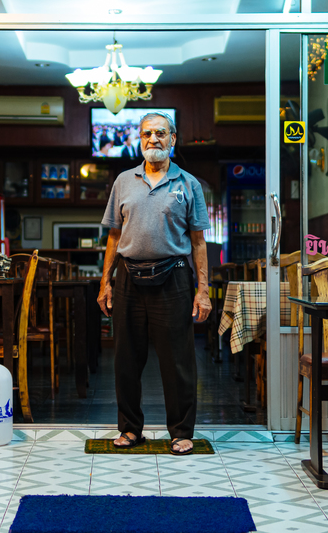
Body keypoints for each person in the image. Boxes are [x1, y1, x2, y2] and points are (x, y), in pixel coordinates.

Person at [98, 111, 211, 456]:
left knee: (177, 360)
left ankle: (180, 432)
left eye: (161, 133)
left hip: (173, 277)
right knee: (126, 359)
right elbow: (114, 237)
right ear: (140, 139)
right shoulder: (123, 181)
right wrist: (105, 283)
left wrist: (202, 290)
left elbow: (198, 242)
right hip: (128, 278)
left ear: (173, 139)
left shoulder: (188, 184)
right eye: (147, 134)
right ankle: (130, 429)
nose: (153, 140)